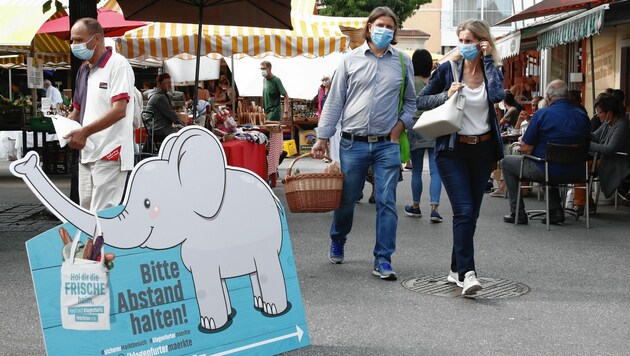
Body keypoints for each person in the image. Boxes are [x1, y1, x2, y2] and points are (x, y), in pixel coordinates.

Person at [310, 6, 416, 280]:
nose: (384, 30)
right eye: (380, 24)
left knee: (386, 201)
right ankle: (338, 237)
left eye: (390, 27)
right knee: (347, 198)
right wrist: (322, 136)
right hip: (352, 143)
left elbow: (411, 102)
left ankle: (383, 259)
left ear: (394, 32)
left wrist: (400, 126)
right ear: (369, 27)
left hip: (386, 144)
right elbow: (335, 101)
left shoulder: (403, 62)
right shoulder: (349, 60)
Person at [417, 19, 505, 295]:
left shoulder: (492, 69)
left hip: (482, 150)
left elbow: (497, 94)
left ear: (482, 42)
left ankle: (455, 269)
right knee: (464, 211)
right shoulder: (448, 69)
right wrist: (446, 94)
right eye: (462, 41)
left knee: (471, 214)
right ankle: (468, 273)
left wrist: (488, 59)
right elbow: (421, 100)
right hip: (452, 149)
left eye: (470, 41)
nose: (464, 46)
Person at [65, 17, 136, 212]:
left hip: (110, 152)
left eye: (78, 40)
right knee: (87, 214)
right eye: (72, 40)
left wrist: (84, 132)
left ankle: (105, 244)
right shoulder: (83, 70)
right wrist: (66, 127)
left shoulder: (118, 64)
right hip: (87, 153)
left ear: (96, 38)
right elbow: (77, 111)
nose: (74, 45)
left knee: (102, 215)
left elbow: (119, 110)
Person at [502, 79, 591, 226]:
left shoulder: (542, 114)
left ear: (548, 98)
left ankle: (518, 212)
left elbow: (527, 148)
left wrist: (525, 146)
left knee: (508, 163)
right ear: (567, 95)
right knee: (548, 162)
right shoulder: (582, 115)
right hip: (579, 171)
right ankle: (555, 211)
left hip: (547, 169)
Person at [573, 94, 630, 216]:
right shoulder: (607, 123)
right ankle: (584, 202)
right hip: (607, 159)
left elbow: (609, 149)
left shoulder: (621, 125)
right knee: (581, 165)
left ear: (609, 113)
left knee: (582, 166)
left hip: (617, 162)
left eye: (599, 112)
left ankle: (583, 203)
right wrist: (580, 132)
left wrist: (586, 144)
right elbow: (594, 136)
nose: (597, 116)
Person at [404, 49, 443, 222]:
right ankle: (434, 209)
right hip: (434, 126)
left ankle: (415, 206)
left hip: (415, 126)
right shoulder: (436, 81)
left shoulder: (411, 81)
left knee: (417, 171)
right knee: (436, 171)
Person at [145, 73, 186, 142]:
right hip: (158, 128)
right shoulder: (159, 97)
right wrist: (184, 125)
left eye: (170, 82)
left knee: (180, 132)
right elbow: (171, 114)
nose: (169, 85)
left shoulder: (162, 94)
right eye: (166, 83)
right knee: (182, 135)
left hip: (155, 127)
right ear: (159, 84)